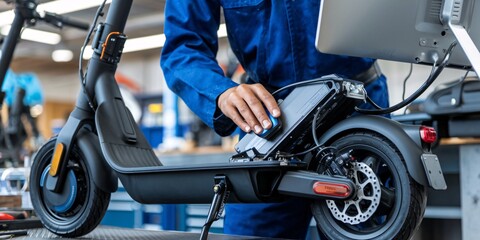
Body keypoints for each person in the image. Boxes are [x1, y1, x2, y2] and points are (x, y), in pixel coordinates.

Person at [160, 1, 389, 239]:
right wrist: (220, 92)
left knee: (366, 229)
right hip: (271, 123)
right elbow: (182, 48)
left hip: (355, 109)